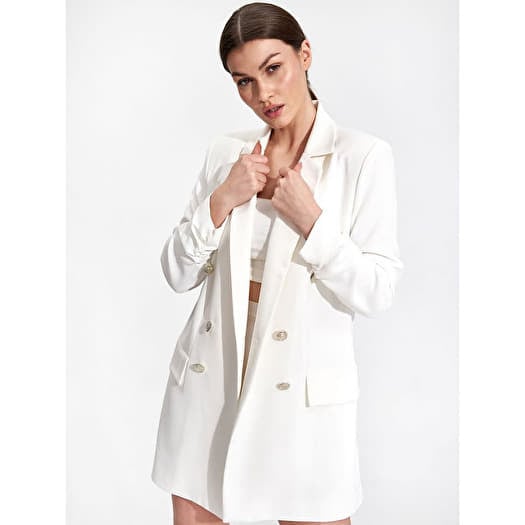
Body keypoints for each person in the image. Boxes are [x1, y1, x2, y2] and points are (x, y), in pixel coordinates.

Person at [151, 2, 404, 524]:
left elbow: (377, 291)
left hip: (302, 387)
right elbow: (177, 273)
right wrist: (222, 199)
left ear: (304, 55)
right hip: (214, 374)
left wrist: (313, 221)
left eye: (273, 68)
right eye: (243, 81)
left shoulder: (362, 156)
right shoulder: (227, 154)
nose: (262, 94)